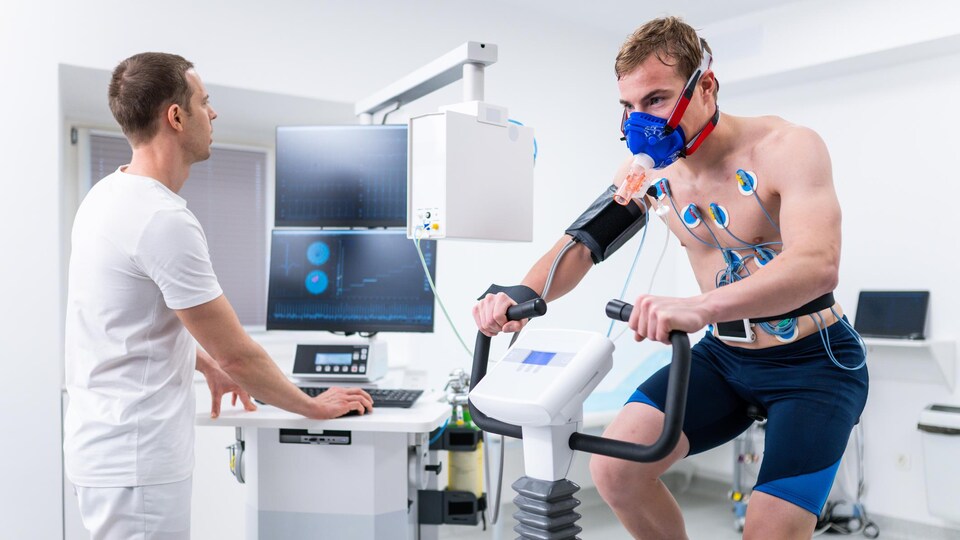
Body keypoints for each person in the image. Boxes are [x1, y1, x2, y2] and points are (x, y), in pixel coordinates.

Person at [473, 17, 868, 540]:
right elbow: (581, 247)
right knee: (616, 470)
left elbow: (817, 263)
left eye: (656, 100)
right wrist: (523, 293)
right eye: (628, 107)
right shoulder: (648, 173)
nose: (641, 122)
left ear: (706, 85)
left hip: (815, 361)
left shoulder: (786, 147)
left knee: (767, 532)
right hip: (725, 358)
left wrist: (700, 306)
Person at [63, 52, 373, 540]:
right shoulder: (161, 219)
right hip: (135, 463)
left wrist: (203, 364)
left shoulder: (106, 195)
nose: (214, 114)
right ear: (176, 116)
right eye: (204, 102)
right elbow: (240, 354)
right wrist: (314, 405)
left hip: (106, 452)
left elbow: (126, 325)